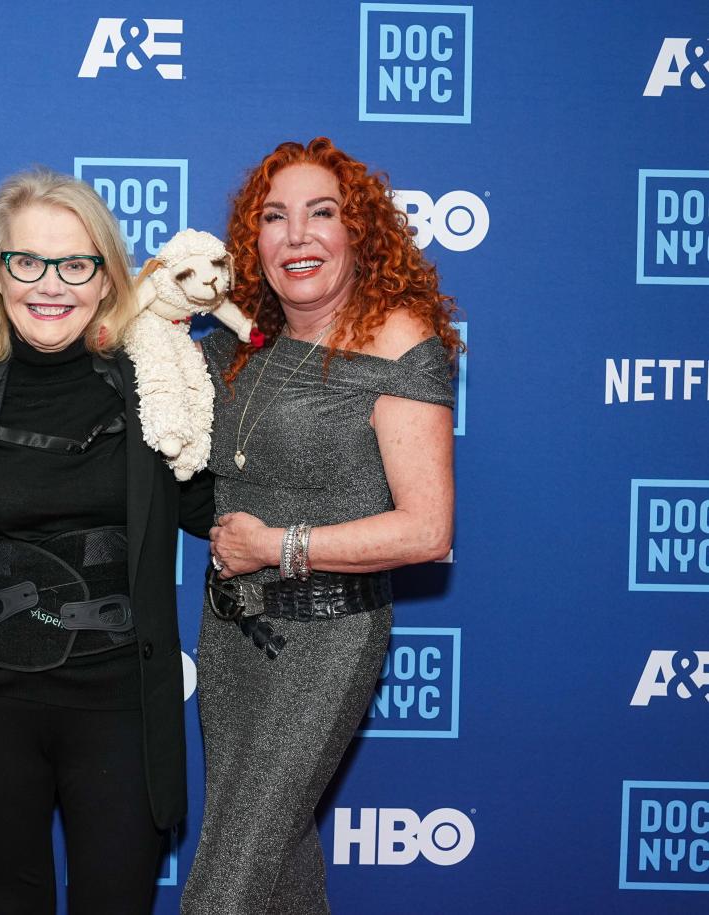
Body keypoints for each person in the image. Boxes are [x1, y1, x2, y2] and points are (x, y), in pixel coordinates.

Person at [181, 138, 462, 914]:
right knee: (280, 869)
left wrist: (279, 546)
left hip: (326, 641)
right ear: (253, 242)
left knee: (223, 888)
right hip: (229, 637)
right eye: (274, 217)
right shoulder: (242, 343)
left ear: (358, 232)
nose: (296, 235)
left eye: (321, 213)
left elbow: (428, 530)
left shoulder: (402, 342)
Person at [0, 169, 214, 915]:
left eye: (76, 263)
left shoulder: (157, 393)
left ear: (108, 276)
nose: (50, 284)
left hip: (119, 708)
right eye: (27, 261)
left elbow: (223, 507)